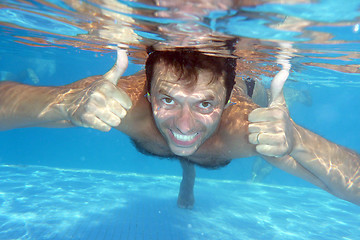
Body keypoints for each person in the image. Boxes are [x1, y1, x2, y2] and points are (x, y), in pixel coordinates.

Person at [0, 48, 359, 208]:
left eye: (205, 103)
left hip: (244, 90)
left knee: (273, 135)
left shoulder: (243, 125)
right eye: (167, 99)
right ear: (147, 91)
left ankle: (291, 93)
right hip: (198, 124)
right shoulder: (125, 103)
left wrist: (297, 140)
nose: (183, 122)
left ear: (225, 102)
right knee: (189, 138)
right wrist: (65, 102)